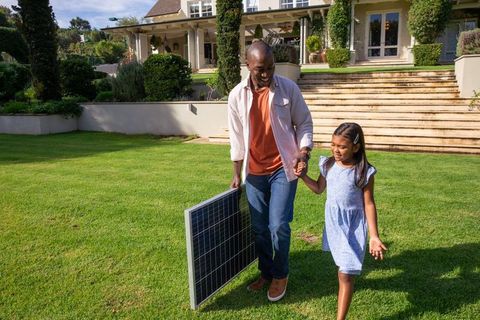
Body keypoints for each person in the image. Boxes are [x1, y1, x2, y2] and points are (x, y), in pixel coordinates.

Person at [228, 40, 313, 302]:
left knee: (278, 225)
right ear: (248, 66)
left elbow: (304, 123)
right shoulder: (236, 96)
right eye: (260, 69)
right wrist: (235, 172)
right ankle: (266, 272)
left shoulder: (288, 89)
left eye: (271, 68)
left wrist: (304, 151)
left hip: (283, 168)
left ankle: (280, 275)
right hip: (253, 172)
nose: (266, 74)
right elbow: (237, 138)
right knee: (259, 228)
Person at [295, 122, 387, 320]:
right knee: (342, 268)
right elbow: (319, 189)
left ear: (356, 147)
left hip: (353, 226)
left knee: (345, 273)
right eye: (333, 144)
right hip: (334, 224)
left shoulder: (364, 172)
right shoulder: (328, 164)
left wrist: (374, 236)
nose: (336, 150)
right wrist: (303, 177)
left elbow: (369, 204)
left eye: (342, 146)